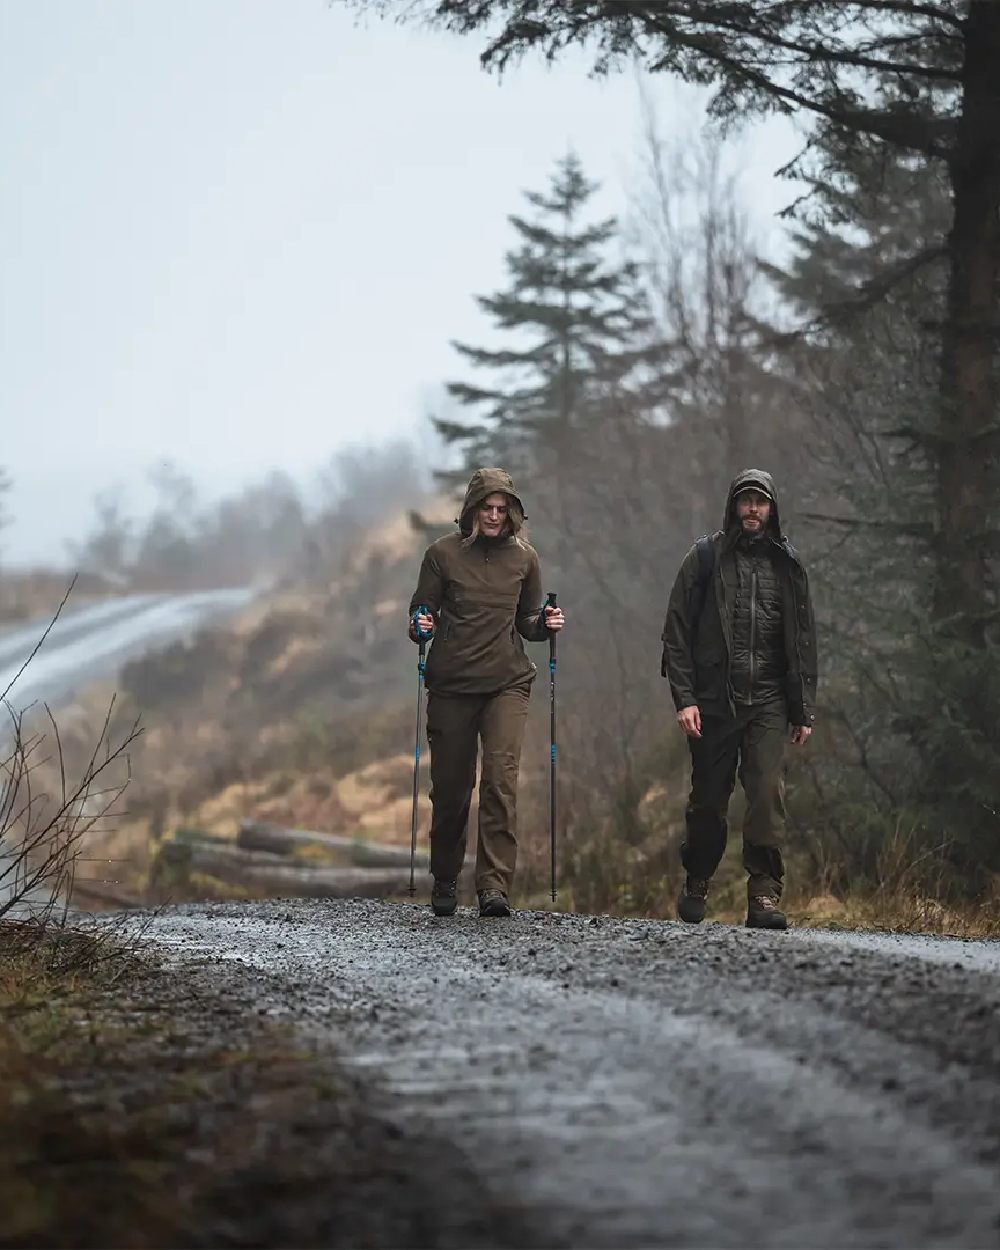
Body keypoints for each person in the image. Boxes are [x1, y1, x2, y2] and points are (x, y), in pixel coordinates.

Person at [661, 469, 817, 930]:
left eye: (761, 502)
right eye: (746, 501)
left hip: (768, 701)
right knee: (709, 802)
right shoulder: (705, 557)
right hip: (713, 701)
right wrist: (684, 698)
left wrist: (801, 705)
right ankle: (697, 878)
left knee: (767, 793)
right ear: (733, 507)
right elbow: (675, 631)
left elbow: (804, 639)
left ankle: (765, 894)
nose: (753, 510)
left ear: (772, 509)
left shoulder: (788, 565)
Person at [408, 467, 565, 918]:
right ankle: (445, 875)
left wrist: (546, 623)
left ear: (513, 512)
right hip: (452, 685)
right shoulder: (441, 555)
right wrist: (421, 625)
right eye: (487, 508)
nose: (494, 517)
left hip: (507, 684)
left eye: (502, 509)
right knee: (453, 789)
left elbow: (528, 621)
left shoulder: (525, 559)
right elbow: (421, 613)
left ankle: (494, 886)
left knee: (500, 781)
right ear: (472, 510)